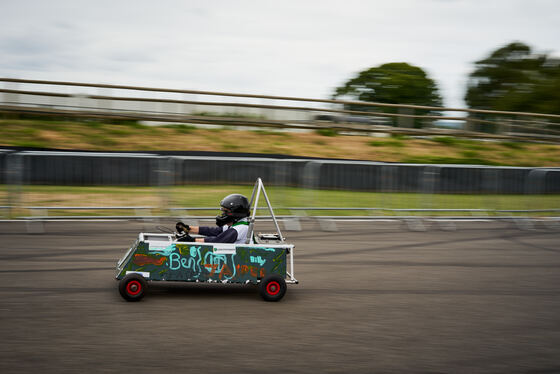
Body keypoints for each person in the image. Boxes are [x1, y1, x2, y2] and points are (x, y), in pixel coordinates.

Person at [175, 194, 252, 244]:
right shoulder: (236, 225)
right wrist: (188, 229)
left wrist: (192, 240)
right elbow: (214, 231)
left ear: (236, 213)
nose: (223, 214)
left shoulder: (240, 228)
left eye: (226, 211)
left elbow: (218, 241)